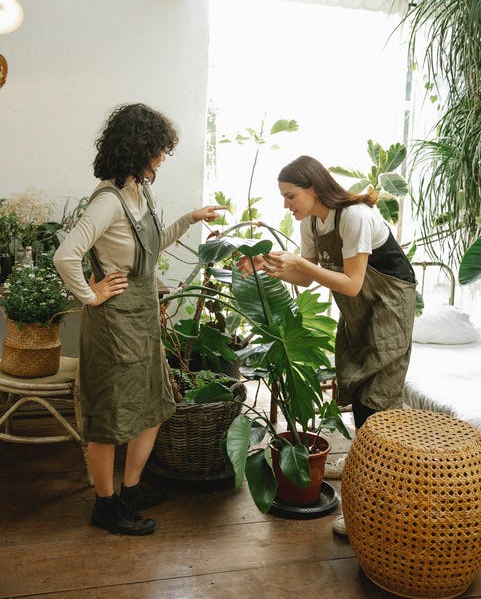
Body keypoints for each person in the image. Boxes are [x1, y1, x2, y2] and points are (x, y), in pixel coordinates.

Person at [54, 102, 225, 536]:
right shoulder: (107, 202)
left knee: (150, 407)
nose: (164, 158)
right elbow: (65, 255)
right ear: (139, 148)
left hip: (143, 316)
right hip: (114, 325)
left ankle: (129, 488)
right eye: (160, 149)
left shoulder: (138, 192)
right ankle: (105, 504)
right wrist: (90, 295)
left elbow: (150, 252)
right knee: (111, 416)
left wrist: (190, 218)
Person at [238, 155, 416, 536]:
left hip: (387, 305)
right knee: (357, 391)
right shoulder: (314, 223)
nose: (286, 205)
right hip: (356, 309)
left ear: (313, 189)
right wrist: (262, 264)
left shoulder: (353, 217)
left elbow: (350, 282)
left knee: (377, 403)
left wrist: (298, 264)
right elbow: (305, 279)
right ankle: (367, 478)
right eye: (283, 197)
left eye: (290, 196)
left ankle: (376, 512)